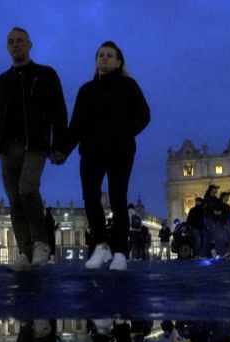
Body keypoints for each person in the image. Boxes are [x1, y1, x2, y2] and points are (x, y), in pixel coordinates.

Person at [0, 27, 68, 271]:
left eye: (20, 41)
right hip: (7, 147)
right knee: (15, 200)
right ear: (7, 47)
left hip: (36, 143)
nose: (15, 45)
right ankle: (25, 252)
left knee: (28, 188)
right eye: (11, 42)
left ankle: (41, 242)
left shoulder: (46, 75)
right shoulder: (1, 81)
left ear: (30, 45)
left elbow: (59, 111)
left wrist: (60, 145)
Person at [64, 40, 150, 271]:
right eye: (101, 55)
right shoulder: (86, 90)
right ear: (96, 60)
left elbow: (144, 115)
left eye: (109, 55)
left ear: (118, 61)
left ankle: (120, 251)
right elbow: (76, 126)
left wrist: (122, 134)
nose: (104, 58)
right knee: (90, 198)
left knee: (117, 198)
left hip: (120, 150)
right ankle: (101, 246)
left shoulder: (128, 86)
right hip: (91, 151)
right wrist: (62, 150)